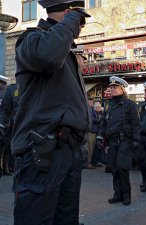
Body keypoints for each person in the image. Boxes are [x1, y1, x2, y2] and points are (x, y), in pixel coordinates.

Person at [12, 0, 91, 224]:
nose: (80, 27)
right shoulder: (31, 40)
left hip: (67, 151)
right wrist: (71, 21)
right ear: (67, 14)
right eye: (79, 20)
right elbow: (47, 54)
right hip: (42, 153)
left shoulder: (64, 51)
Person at [97, 76, 140, 206]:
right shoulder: (109, 105)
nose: (112, 89)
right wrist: (100, 136)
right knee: (114, 169)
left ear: (122, 89)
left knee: (122, 169)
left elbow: (136, 124)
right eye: (111, 87)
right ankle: (118, 194)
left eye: (115, 87)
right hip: (112, 142)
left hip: (125, 141)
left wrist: (136, 140)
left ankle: (126, 195)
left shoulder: (129, 105)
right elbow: (104, 123)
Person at [0, 83, 19, 176]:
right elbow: (5, 109)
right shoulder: (11, 90)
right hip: (7, 127)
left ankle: (7, 168)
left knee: (7, 150)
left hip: (10, 127)